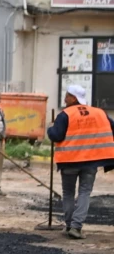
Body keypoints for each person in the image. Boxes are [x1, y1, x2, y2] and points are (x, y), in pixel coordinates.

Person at [47, 85, 114, 239]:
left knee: (68, 193)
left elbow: (56, 135)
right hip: (91, 162)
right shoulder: (99, 113)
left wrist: (50, 129)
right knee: (85, 192)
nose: (64, 99)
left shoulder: (65, 115)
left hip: (70, 161)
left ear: (74, 98)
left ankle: (70, 225)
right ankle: (76, 227)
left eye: (67, 96)